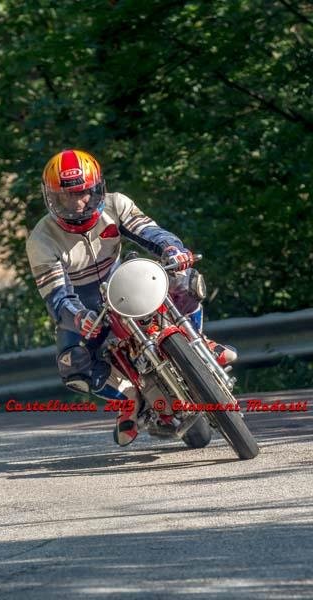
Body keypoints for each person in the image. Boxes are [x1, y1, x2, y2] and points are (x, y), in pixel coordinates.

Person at [26, 149, 237, 446]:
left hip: (124, 280)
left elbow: (150, 231)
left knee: (185, 279)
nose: (77, 203)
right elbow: (56, 293)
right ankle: (128, 397)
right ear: (50, 198)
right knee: (72, 363)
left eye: (83, 192)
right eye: (66, 197)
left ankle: (198, 342)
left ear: (97, 188)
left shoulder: (117, 204)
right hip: (84, 303)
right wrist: (77, 315)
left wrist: (173, 249)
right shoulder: (41, 239)